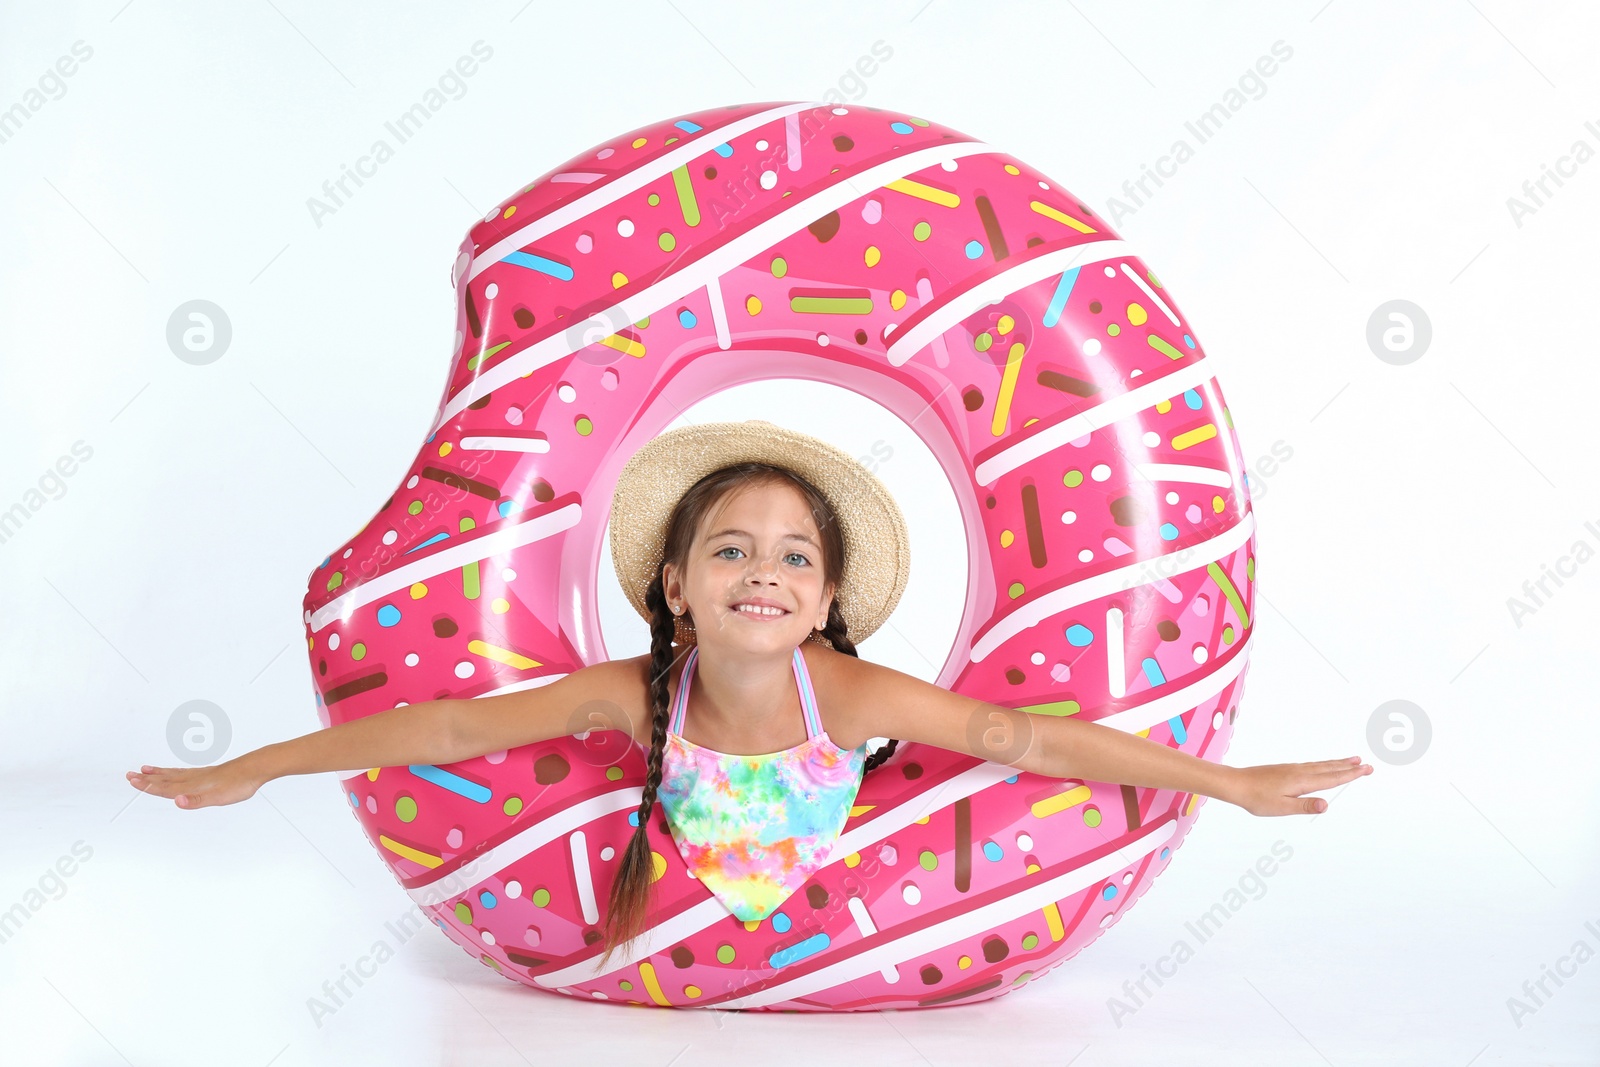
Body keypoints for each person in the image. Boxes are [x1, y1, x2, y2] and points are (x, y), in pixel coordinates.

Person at [126, 419, 1372, 969]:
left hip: (854, 924)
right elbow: (448, 726)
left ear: (827, 599)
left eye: (793, 556)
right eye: (729, 547)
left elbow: (1022, 734)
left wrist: (1231, 782)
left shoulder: (848, 688)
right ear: (674, 583)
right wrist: (254, 766)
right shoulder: (636, 691)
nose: (760, 572)